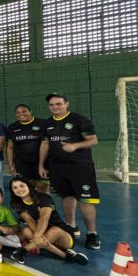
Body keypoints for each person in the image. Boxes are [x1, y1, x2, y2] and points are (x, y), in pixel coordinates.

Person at [39, 93, 101, 250]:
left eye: (58, 104)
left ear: (66, 104)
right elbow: (45, 144)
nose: (55, 107)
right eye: (52, 105)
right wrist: (41, 165)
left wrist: (75, 146)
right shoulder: (48, 123)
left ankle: (92, 234)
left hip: (80, 167)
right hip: (58, 167)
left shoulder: (78, 119)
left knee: (84, 201)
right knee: (66, 197)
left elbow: (93, 140)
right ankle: (71, 226)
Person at [9, 177, 89, 265]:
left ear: (28, 186)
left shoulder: (44, 197)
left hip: (63, 235)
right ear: (12, 191)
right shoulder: (16, 203)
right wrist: (38, 237)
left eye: (21, 186)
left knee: (54, 230)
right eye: (15, 188)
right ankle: (65, 255)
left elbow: (44, 218)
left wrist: (37, 236)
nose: (19, 189)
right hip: (42, 232)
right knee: (26, 230)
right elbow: (29, 220)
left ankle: (23, 251)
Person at [6, 104, 48, 192]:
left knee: (42, 187)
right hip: (22, 163)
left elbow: (46, 144)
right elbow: (10, 147)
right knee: (27, 187)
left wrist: (41, 165)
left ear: (30, 112)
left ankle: (44, 201)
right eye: (18, 112)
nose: (21, 114)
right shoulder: (12, 127)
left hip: (41, 162)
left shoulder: (42, 123)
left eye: (24, 111)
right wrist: (11, 165)